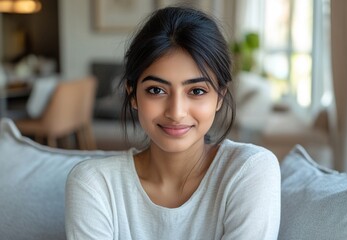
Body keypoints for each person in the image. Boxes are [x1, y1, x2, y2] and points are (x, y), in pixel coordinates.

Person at [65, 6, 280, 240]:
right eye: (156, 90)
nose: (176, 112)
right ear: (133, 95)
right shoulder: (95, 185)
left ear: (219, 97)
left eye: (197, 91)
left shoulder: (249, 170)